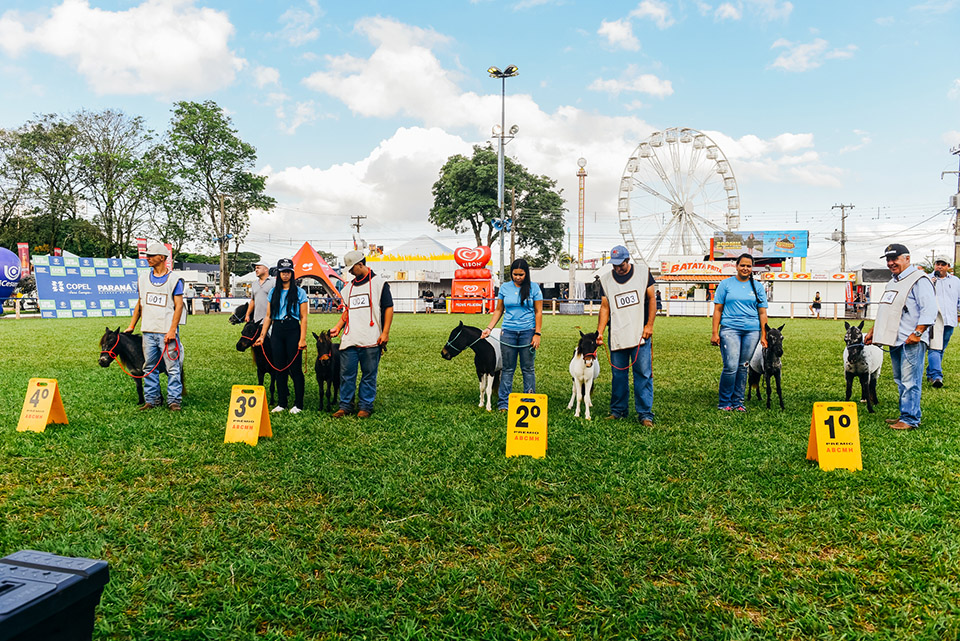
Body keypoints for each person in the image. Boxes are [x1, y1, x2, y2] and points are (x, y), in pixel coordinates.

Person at [865, 244, 942, 430]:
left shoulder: (919, 279)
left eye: (895, 259)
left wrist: (918, 333)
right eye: (889, 260)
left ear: (907, 258)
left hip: (911, 340)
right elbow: (887, 309)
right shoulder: (893, 281)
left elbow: (929, 309)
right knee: (900, 380)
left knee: (911, 381)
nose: (891, 263)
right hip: (895, 339)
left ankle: (910, 419)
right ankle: (905, 414)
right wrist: (874, 330)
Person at [595, 245, 657, 425]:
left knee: (643, 374)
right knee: (618, 375)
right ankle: (618, 410)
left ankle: (645, 414)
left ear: (628, 260)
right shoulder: (606, 280)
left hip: (640, 334)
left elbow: (652, 299)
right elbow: (605, 307)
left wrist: (649, 325)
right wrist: (600, 331)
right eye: (614, 265)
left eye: (620, 265)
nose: (617, 269)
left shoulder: (643, 273)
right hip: (617, 334)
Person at [330, 250, 394, 418]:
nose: (350, 272)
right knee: (346, 375)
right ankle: (345, 406)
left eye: (352, 268)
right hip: (350, 338)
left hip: (372, 338)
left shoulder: (380, 283)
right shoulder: (347, 288)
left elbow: (388, 308)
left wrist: (385, 332)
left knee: (368, 375)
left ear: (361, 264)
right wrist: (338, 327)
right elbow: (347, 312)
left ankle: (365, 406)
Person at [124, 242, 185, 411]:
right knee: (149, 367)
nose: (147, 258)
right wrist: (131, 325)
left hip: (166, 332)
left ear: (162, 258)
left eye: (151, 256)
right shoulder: (143, 278)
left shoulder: (175, 280)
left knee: (173, 368)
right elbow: (140, 303)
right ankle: (152, 400)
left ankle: (174, 401)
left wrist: (172, 330)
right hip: (148, 331)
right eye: (147, 255)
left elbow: (178, 306)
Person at [481, 258, 544, 410]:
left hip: (527, 332)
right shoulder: (505, 288)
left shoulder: (534, 288)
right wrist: (489, 328)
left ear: (526, 274)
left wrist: (537, 333)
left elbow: (538, 312)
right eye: (515, 274)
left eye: (521, 275)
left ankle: (529, 401)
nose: (518, 277)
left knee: (528, 368)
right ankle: (504, 403)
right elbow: (498, 310)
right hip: (508, 332)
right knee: (508, 369)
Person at [710, 253, 768, 412]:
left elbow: (762, 313)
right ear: (736, 266)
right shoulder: (725, 284)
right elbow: (718, 310)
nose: (745, 268)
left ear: (752, 268)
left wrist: (764, 334)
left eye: (749, 266)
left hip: (752, 331)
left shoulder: (757, 287)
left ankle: (738, 402)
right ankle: (724, 402)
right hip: (729, 329)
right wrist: (715, 332)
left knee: (743, 366)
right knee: (730, 366)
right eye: (742, 265)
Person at [255, 258, 308, 414]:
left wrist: (302, 339)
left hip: (293, 329)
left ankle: (298, 404)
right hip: (277, 330)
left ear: (292, 273)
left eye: (288, 272)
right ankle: (282, 402)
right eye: (282, 272)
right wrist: (263, 336)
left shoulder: (300, 292)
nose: (285, 275)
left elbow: (304, 317)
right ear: (278, 274)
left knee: (295, 368)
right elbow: (268, 316)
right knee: (279, 368)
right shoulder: (273, 292)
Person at [925, 256, 960, 388]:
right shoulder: (928, 279)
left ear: (948, 267)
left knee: (941, 348)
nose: (939, 267)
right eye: (937, 264)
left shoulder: (956, 281)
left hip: (950, 320)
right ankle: (936, 376)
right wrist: (931, 283)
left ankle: (930, 373)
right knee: (935, 348)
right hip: (934, 320)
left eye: (943, 264)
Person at [245, 260, 275, 324]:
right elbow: (253, 301)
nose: (256, 270)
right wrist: (247, 314)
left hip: (270, 320)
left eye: (258, 268)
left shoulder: (274, 282)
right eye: (255, 268)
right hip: (257, 320)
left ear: (266, 269)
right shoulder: (254, 284)